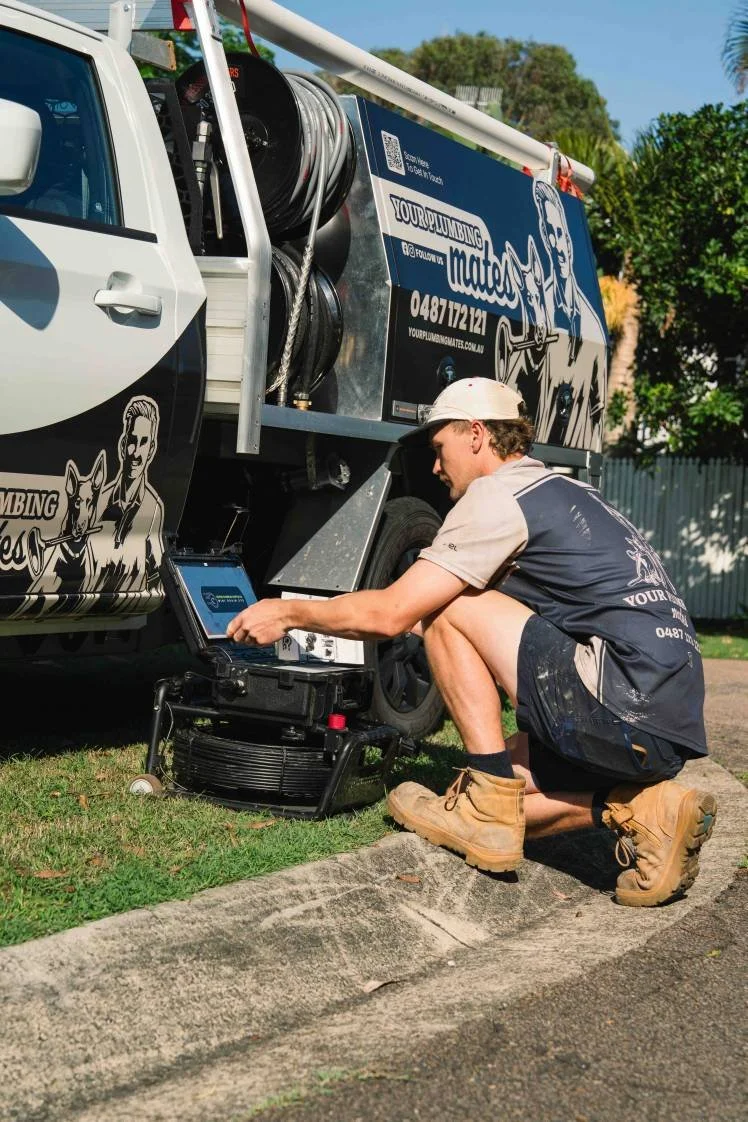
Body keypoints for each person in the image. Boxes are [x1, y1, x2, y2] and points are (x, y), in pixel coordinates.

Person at [227, 377, 717, 907]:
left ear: (477, 435)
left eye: (440, 447)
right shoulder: (569, 493)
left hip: (617, 701)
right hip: (664, 729)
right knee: (512, 781)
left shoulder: (497, 496)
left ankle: (484, 807)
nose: (436, 467)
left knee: (446, 616)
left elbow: (395, 613)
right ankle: (639, 809)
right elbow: (471, 625)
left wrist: (290, 612)